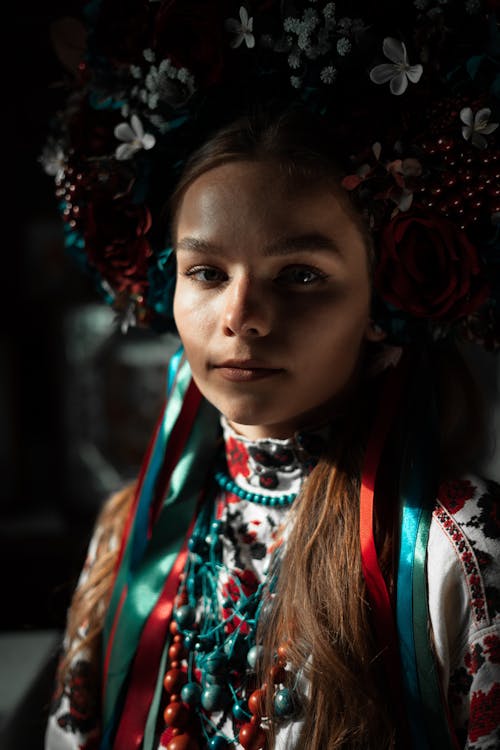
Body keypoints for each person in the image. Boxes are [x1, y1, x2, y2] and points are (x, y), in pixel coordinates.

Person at [42, 2, 500, 749]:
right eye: (207, 272)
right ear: (170, 288)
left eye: (300, 274)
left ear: (380, 298)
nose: (244, 315)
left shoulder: (457, 550)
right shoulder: (132, 532)